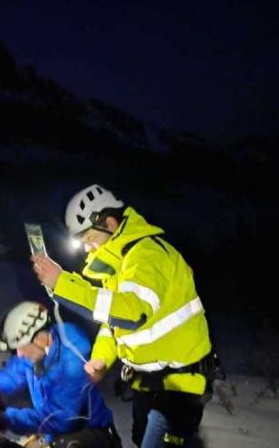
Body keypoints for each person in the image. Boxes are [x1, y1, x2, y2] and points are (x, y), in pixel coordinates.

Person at [31, 184, 214, 447]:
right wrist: (101, 359)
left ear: (110, 223)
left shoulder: (146, 255)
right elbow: (114, 324)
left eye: (88, 238)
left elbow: (131, 313)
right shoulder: (118, 267)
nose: (86, 249)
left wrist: (63, 283)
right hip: (147, 387)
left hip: (178, 389)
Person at [0, 301, 120, 448]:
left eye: (21, 347)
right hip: (56, 435)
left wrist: (5, 419)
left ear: (39, 339)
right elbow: (11, 375)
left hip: (93, 437)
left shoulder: (71, 360)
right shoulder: (36, 353)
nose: (19, 354)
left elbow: (60, 420)